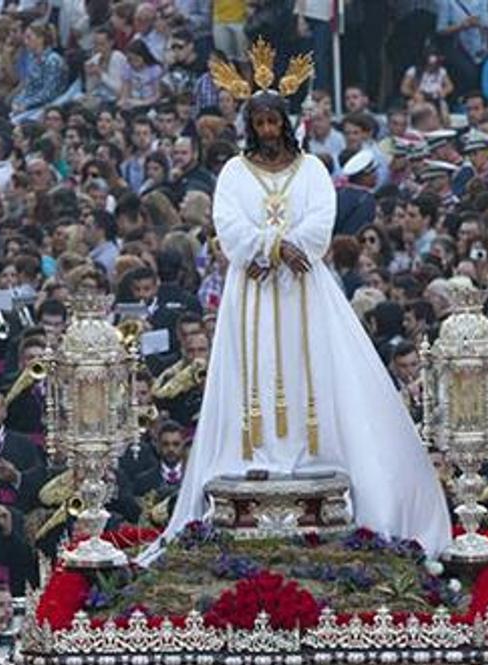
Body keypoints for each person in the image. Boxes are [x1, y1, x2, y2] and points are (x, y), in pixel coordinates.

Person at [147, 47, 451, 561]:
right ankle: (257, 452)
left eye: (273, 120)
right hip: (255, 285)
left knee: (314, 364)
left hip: (303, 284)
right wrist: (268, 247)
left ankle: (313, 452)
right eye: (259, 121)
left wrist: (293, 246)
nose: (267, 129)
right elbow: (229, 222)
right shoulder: (234, 173)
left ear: (285, 122)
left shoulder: (310, 167)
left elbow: (320, 214)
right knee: (256, 365)